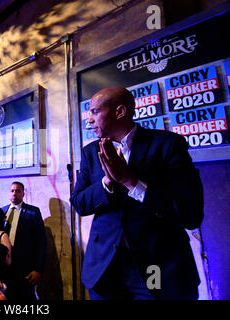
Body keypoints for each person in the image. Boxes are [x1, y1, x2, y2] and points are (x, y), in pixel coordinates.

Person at [70, 86, 204, 300]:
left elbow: (190, 214)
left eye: (95, 111)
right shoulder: (90, 152)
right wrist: (107, 181)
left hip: (156, 269)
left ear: (120, 112)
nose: (89, 120)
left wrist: (131, 182)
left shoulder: (168, 145)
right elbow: (79, 203)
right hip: (105, 270)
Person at [1, 182, 47, 300]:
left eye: (18, 191)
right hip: (5, 268)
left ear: (23, 194)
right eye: (12, 191)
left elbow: (41, 243)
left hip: (25, 268)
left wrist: (38, 269)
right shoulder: (2, 212)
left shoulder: (33, 212)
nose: (14, 193)